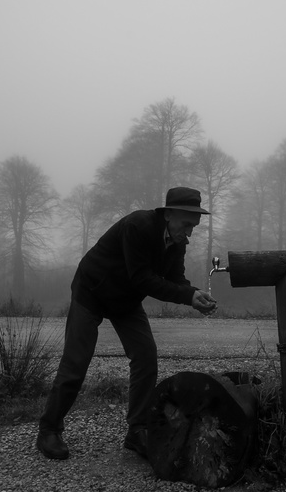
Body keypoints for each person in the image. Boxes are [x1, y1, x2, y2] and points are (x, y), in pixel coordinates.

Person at [36, 186, 218, 460]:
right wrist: (187, 296)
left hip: (125, 300)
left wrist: (195, 294)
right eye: (186, 224)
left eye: (194, 226)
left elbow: (175, 279)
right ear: (168, 214)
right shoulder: (138, 226)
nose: (189, 233)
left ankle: (137, 430)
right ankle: (49, 430)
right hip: (92, 291)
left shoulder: (177, 242)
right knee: (76, 362)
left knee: (145, 356)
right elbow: (141, 278)